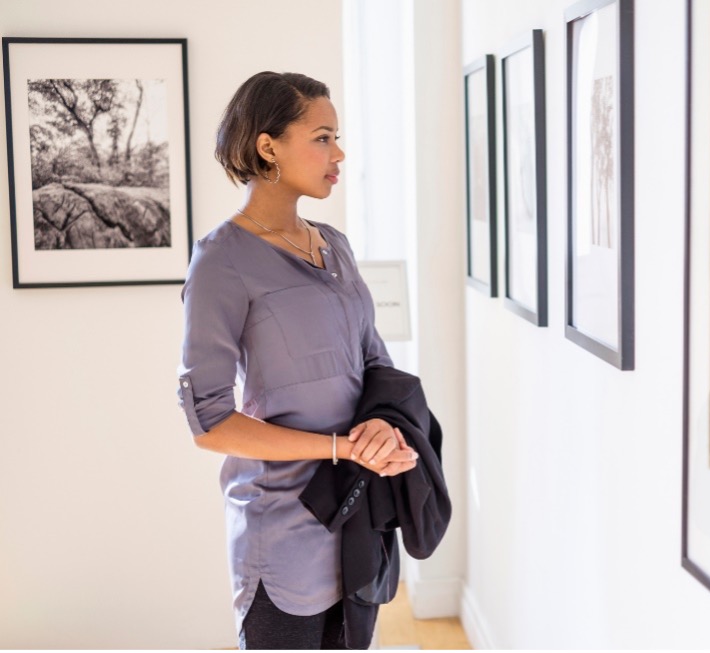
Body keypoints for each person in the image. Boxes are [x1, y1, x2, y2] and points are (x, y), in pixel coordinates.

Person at [177, 71, 418, 650]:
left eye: (337, 138)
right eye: (322, 137)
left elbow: (374, 361)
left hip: (358, 513)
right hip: (281, 532)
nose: (339, 153)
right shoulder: (220, 262)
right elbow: (209, 424)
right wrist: (337, 447)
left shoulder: (335, 245)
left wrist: (382, 427)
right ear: (269, 147)